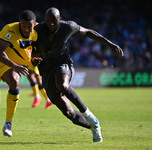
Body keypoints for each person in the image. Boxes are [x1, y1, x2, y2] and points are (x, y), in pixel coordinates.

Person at [33, 7, 124, 142]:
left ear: (60, 20)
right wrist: (32, 57)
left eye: (54, 21)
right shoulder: (37, 31)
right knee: (69, 113)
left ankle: (88, 114)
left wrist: (109, 43)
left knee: (62, 85)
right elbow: (28, 47)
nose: (50, 24)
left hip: (63, 64)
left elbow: (87, 32)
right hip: (46, 71)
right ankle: (94, 126)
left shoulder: (68, 27)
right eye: (48, 21)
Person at [0, 10, 42, 138]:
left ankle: (8, 123)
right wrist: (14, 65)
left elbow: (35, 49)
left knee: (14, 82)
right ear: (20, 23)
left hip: (6, 65)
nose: (26, 29)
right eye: (23, 26)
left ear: (33, 24)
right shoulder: (10, 30)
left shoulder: (36, 31)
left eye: (29, 27)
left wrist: (34, 60)